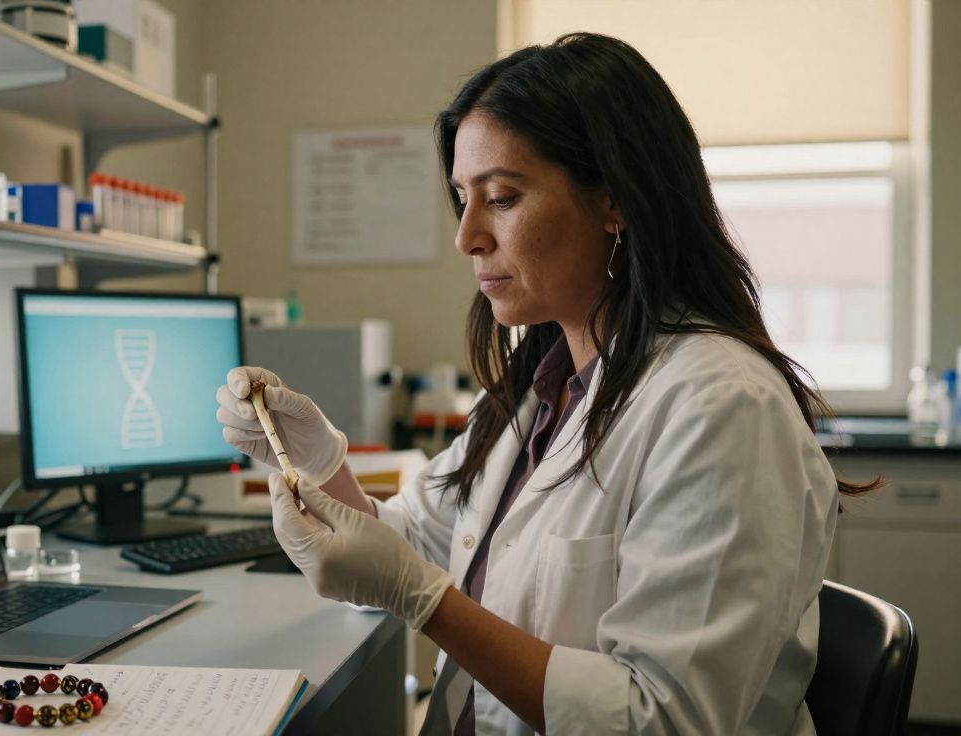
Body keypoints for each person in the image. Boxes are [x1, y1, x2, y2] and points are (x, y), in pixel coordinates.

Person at [216, 32, 875, 736]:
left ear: (615, 202)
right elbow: (417, 545)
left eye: (501, 198)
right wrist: (321, 468)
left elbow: (667, 720)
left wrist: (425, 602)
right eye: (461, 198)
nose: (467, 236)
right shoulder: (542, 385)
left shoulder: (722, 407)